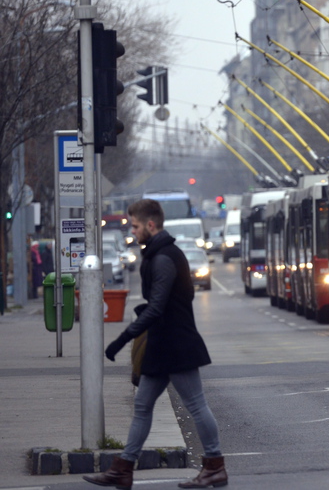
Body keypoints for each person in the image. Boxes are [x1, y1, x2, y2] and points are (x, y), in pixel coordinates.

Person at [84, 198, 227, 489]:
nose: (132, 232)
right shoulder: (158, 254)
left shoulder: (163, 258)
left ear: (150, 225)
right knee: (142, 405)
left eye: (135, 226)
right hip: (163, 343)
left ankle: (215, 466)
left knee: (196, 405)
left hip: (176, 344)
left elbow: (157, 307)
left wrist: (122, 339)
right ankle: (123, 468)